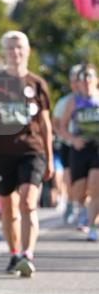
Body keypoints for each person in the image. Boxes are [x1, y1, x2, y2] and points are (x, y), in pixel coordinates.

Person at [0, 30, 53, 276]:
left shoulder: (37, 84)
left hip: (32, 150)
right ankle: (14, 254)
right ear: (4, 52)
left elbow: (45, 124)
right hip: (1, 152)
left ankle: (28, 254)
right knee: (8, 207)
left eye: (19, 47)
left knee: (29, 202)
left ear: (27, 51)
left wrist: (50, 158)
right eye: (10, 48)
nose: (15, 52)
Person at [60, 64, 99, 242]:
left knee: (95, 187)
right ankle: (81, 209)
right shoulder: (73, 102)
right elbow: (61, 127)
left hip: (97, 148)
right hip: (79, 149)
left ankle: (92, 226)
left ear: (96, 80)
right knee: (79, 191)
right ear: (78, 83)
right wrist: (72, 140)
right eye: (83, 79)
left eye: (90, 77)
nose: (86, 82)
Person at [52, 65, 84, 224]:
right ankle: (72, 202)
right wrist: (66, 136)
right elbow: (56, 123)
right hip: (68, 144)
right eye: (74, 81)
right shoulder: (65, 102)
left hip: (89, 144)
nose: (77, 84)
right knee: (70, 177)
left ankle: (83, 207)